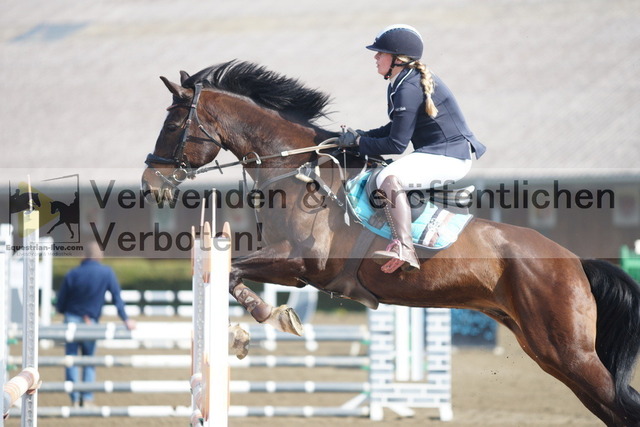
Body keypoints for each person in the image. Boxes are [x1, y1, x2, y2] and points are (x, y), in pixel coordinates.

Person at [339, 24, 486, 274]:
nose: (375, 57)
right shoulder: (401, 82)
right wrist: (361, 136)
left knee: (388, 177)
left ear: (397, 59)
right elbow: (393, 128)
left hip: (449, 156)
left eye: (380, 53)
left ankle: (405, 246)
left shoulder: (408, 88)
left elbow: (396, 145)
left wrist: (359, 144)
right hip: (438, 152)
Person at [55, 242, 136, 408]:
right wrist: (125, 319)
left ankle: (74, 399)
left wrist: (64, 310)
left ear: (84, 255)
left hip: (71, 320)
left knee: (71, 359)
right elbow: (117, 298)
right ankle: (88, 398)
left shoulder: (72, 273)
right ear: (101, 256)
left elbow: (60, 303)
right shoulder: (107, 273)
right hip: (90, 322)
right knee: (89, 360)